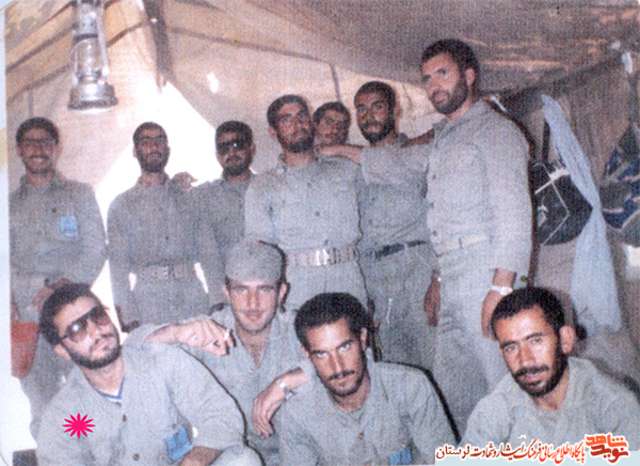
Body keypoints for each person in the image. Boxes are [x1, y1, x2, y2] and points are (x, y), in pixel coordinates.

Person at [36, 283, 260, 466]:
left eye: (98, 315)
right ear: (62, 350)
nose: (96, 330)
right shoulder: (62, 417)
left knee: (243, 461)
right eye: (77, 329)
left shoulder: (162, 362)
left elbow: (221, 414)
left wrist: (195, 461)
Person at [140, 239, 309, 466]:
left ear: (281, 293)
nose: (253, 303)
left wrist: (288, 381)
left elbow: (352, 362)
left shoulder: (301, 330)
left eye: (264, 289)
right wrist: (176, 332)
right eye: (241, 289)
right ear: (226, 293)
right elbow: (138, 354)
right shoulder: (209, 331)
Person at [10, 117, 107, 436]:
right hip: (26, 318)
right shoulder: (8, 205)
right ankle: (51, 453)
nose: (38, 149)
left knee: (89, 393)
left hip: (72, 310)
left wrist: (60, 287)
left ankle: (91, 451)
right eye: (30, 143)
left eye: (45, 142)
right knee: (42, 402)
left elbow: (96, 250)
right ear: (19, 150)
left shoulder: (79, 195)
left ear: (57, 148)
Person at [278, 292, 455, 465]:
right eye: (322, 354)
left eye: (345, 347)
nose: (337, 367)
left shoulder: (410, 387)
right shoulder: (298, 413)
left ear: (362, 339)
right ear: (307, 355)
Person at [462, 287, 640, 450]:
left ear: (565, 339)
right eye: (511, 348)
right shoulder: (497, 407)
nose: (525, 361)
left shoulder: (613, 406)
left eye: (535, 341)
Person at [244, 95, 367, 312]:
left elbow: (369, 230)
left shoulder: (347, 170)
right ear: (273, 132)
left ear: (310, 122)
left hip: (349, 282)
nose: (297, 124)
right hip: (298, 291)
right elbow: (261, 253)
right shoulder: (262, 186)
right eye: (286, 119)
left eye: (301, 116)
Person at [354, 81, 438, 371]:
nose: (369, 116)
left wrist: (438, 279)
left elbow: (442, 219)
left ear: (395, 111)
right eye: (361, 109)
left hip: (418, 272)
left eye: (377, 107)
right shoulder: (355, 169)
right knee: (396, 371)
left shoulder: (419, 155)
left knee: (434, 364)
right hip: (378, 281)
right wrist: (365, 292)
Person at [107, 122, 210, 327]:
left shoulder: (189, 197)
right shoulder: (121, 205)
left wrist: (216, 301)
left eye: (159, 141)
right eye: (146, 142)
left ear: (168, 150)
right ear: (135, 152)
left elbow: (210, 253)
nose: (154, 146)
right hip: (148, 304)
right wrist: (129, 317)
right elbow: (118, 271)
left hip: (192, 297)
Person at [195, 121, 256, 309]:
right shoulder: (204, 195)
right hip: (229, 297)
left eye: (238, 145)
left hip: (268, 290)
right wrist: (218, 301)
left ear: (252, 149)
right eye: (224, 148)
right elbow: (208, 256)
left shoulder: (269, 187)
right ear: (217, 156)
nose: (231, 152)